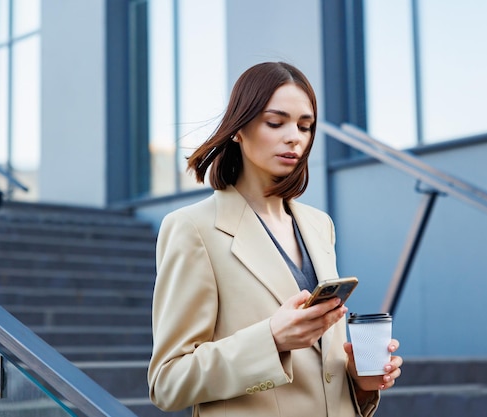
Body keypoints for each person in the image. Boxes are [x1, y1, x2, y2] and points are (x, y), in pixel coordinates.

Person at [147, 61, 403, 417]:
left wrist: (359, 383)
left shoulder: (319, 225)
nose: (294, 137)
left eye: (305, 126)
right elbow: (168, 381)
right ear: (238, 129)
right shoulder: (193, 228)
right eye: (275, 122)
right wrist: (271, 340)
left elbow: (322, 372)